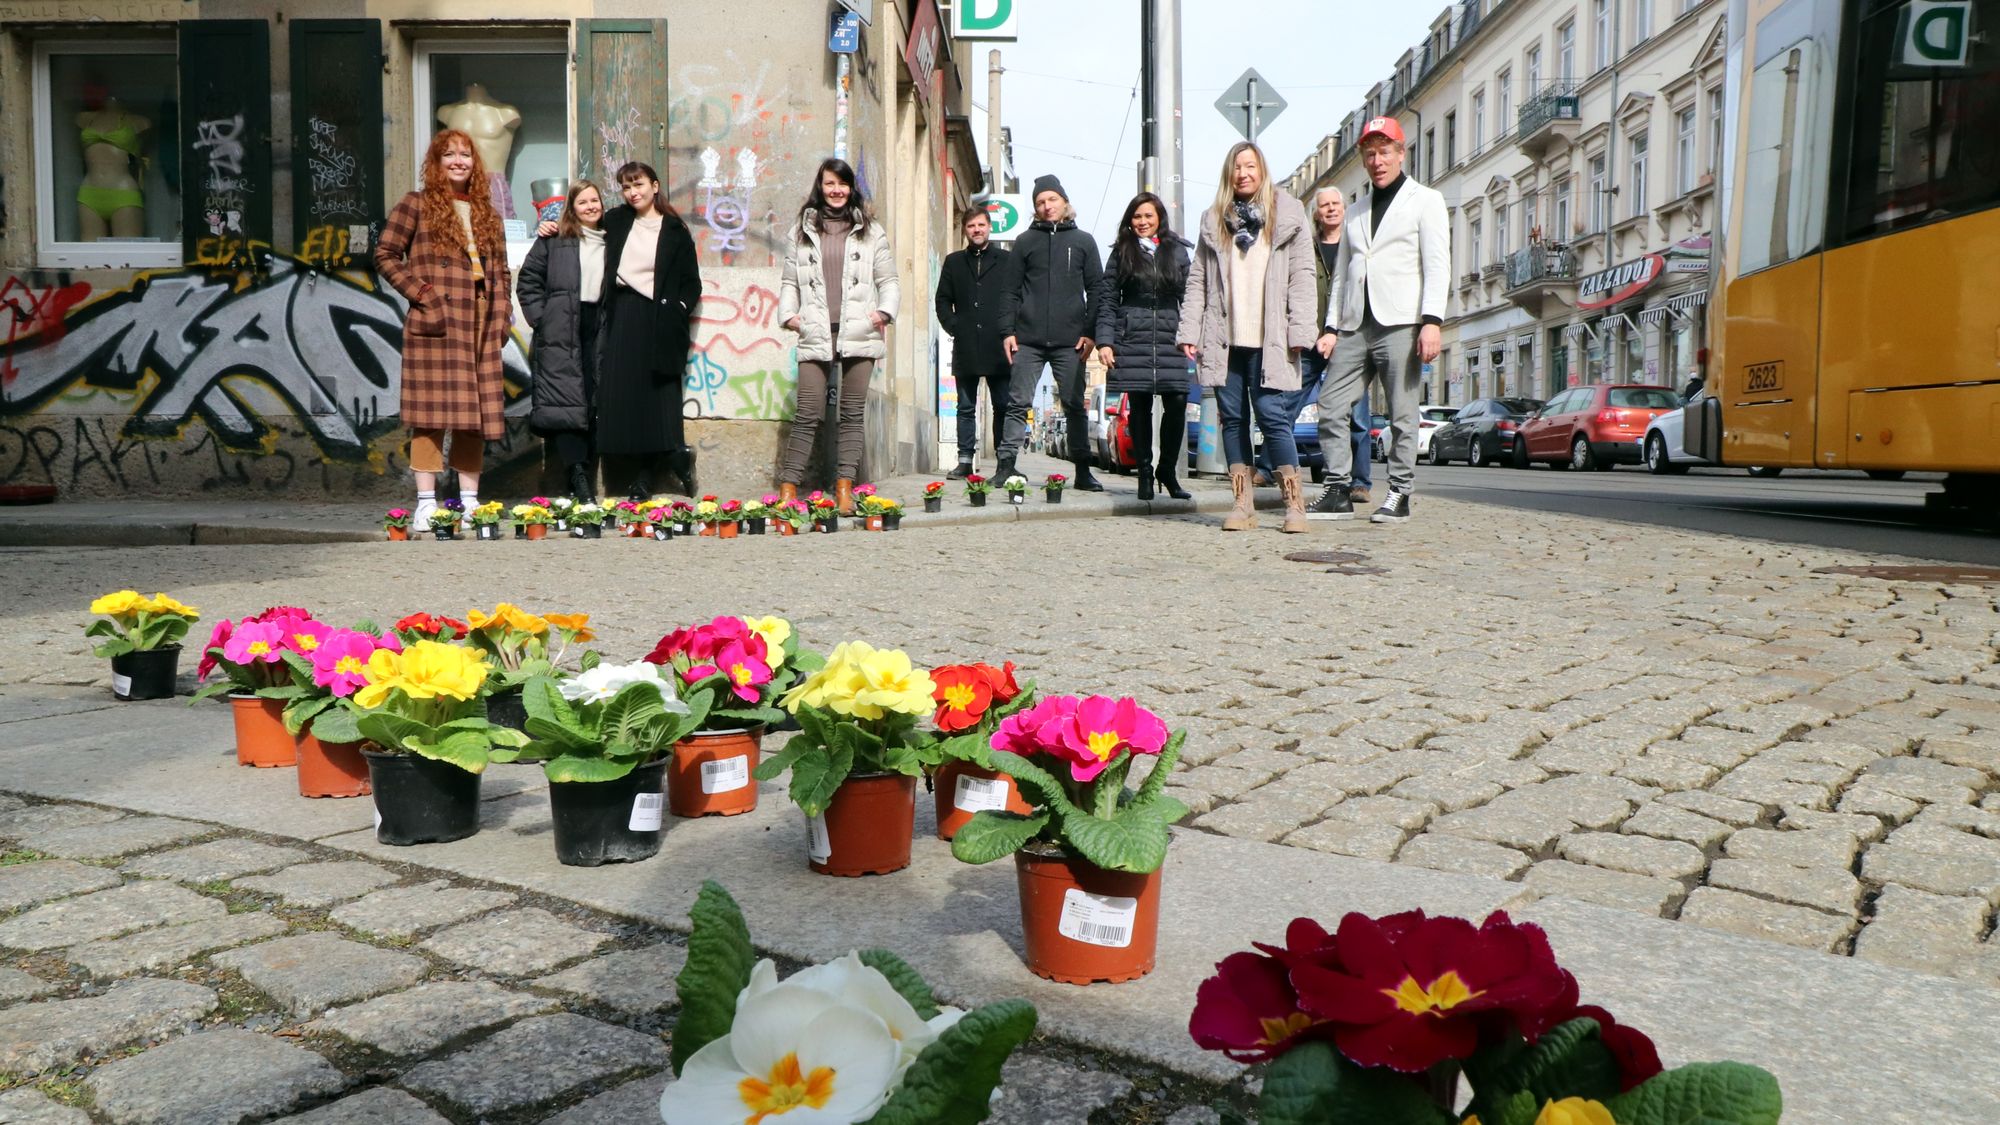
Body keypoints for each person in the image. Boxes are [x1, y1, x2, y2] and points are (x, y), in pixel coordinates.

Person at [1310, 117, 1450, 524]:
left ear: (1401, 153)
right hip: (1356, 324)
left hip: (1403, 321)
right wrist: (1332, 327)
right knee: (1331, 404)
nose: (1377, 160)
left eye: (1385, 151)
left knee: (1401, 413)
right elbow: (1341, 277)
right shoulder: (1354, 211)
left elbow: (1437, 265)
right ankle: (1337, 488)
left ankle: (1399, 493)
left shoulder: (1426, 200)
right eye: (1370, 153)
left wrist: (1432, 321)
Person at [374, 129, 512, 532]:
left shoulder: (488, 211)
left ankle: (469, 501)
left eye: (465, 155)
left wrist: (501, 319)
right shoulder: (415, 204)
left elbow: (500, 272)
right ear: (435, 163)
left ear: (475, 163)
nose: (458, 161)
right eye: (448, 155)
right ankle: (426, 503)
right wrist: (423, 294)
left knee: (476, 416)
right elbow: (385, 254)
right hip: (436, 319)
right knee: (430, 415)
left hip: (480, 319)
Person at [1177, 141, 1318, 533]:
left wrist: (1301, 329)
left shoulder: (1288, 214)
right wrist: (1190, 331)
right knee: (1233, 420)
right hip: (1224, 337)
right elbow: (1198, 282)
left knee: (1274, 417)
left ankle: (1294, 504)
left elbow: (1303, 276)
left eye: (1250, 165)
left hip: (1270, 336)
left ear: (1262, 170)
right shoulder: (1213, 220)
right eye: (1237, 166)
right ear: (1229, 173)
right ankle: (1242, 504)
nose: (1243, 173)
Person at [776, 158, 899, 515]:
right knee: (807, 412)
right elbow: (788, 281)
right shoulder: (801, 229)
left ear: (851, 188)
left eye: (842, 184)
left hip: (860, 330)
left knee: (851, 413)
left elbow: (888, 280)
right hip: (815, 330)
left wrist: (883, 312)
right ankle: (789, 488)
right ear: (821, 185)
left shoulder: (871, 231)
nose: (836, 191)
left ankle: (844, 487)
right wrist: (789, 316)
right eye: (830, 183)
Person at [1255, 185, 1371, 502]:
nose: (1331, 209)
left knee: (1357, 413)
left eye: (1336, 203)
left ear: (1344, 207)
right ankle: (1267, 469)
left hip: (1350, 337)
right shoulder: (1308, 243)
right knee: (1286, 403)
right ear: (1316, 212)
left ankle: (1360, 482)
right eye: (1324, 205)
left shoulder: (1358, 242)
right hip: (1310, 337)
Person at [597, 161, 702, 500]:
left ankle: (647, 477)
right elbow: (581, 228)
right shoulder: (615, 221)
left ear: (654, 186)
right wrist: (552, 228)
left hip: (661, 320)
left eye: (638, 184)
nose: (633, 192)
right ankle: (673, 458)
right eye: (626, 187)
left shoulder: (674, 230)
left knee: (658, 401)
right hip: (623, 314)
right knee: (623, 398)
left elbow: (691, 282)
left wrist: (678, 309)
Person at [996, 175, 1105, 491]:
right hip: (1027, 339)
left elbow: (1096, 289)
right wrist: (1007, 331)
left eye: (1052, 200)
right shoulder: (1025, 242)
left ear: (1064, 202)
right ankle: (1005, 466)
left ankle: (1083, 472)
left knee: (1073, 406)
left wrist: (1090, 332)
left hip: (1070, 342)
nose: (1047, 206)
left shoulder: (1084, 242)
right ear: (1035, 208)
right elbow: (1010, 291)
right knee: (1017, 403)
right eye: (1040, 202)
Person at [1096, 191, 1193, 501]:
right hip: (1132, 334)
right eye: (1137, 216)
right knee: (1139, 406)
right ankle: (1145, 474)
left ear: (1159, 218)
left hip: (1169, 334)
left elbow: (1191, 295)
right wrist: (1105, 341)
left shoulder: (1176, 251)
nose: (1142, 222)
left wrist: (1192, 332)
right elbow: (1108, 299)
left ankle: (1166, 470)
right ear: (1130, 220)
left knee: (1177, 401)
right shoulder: (1121, 252)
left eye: (1148, 216)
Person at [518, 179, 608, 501]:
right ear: (572, 207)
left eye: (594, 200)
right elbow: (528, 280)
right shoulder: (554, 238)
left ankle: (584, 476)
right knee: (565, 402)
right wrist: (542, 319)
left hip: (597, 326)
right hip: (560, 329)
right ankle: (578, 476)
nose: (590, 207)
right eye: (582, 202)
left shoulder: (611, 239)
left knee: (591, 401)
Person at [935, 206, 1020, 479]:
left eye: (981, 225)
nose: (977, 230)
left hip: (999, 344)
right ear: (965, 231)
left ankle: (1004, 462)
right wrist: (954, 326)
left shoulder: (1007, 260)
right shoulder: (954, 262)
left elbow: (1017, 296)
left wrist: (1012, 330)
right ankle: (963, 461)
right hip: (967, 343)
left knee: (1003, 405)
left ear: (989, 227)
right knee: (965, 406)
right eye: (971, 226)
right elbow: (942, 300)